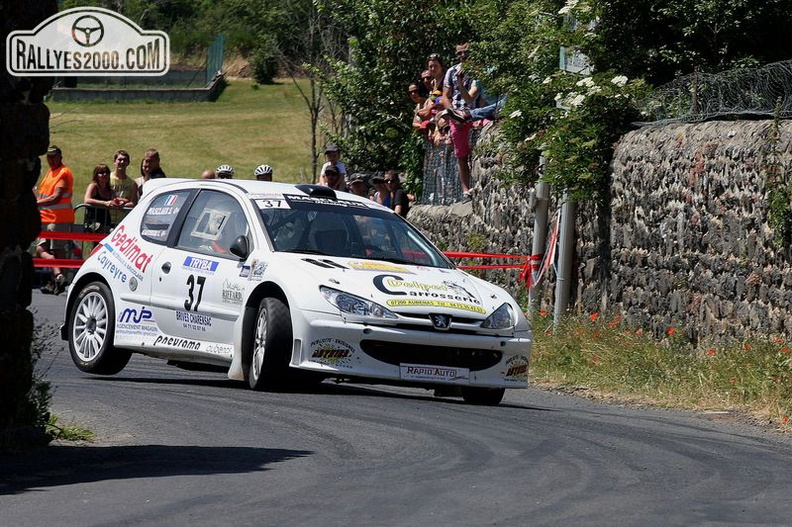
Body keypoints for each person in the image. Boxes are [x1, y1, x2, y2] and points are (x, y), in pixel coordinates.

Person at [442, 42, 480, 202]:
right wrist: (452, 113)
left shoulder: (478, 70)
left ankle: (477, 184)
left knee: (477, 150)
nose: (463, 56)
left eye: (466, 52)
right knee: (461, 155)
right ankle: (466, 190)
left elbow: (474, 95)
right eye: (459, 53)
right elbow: (445, 96)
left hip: (474, 113)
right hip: (457, 116)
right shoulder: (451, 71)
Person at [36, 145, 75, 295]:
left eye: (54, 156)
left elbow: (56, 197)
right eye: (49, 157)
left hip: (58, 219)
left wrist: (36, 203)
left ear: (60, 157)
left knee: (57, 250)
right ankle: (59, 277)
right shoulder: (50, 172)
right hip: (46, 218)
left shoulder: (64, 173)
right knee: (41, 249)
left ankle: (56, 282)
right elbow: (45, 195)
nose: (51, 160)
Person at [83, 164, 122, 233]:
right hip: (93, 222)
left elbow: (115, 201)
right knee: (110, 232)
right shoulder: (93, 186)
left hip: (106, 222)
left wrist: (120, 203)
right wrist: (105, 203)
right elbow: (87, 200)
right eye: (101, 172)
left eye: (106, 172)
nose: (104, 174)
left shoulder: (110, 191)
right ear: (96, 175)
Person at [109, 149, 138, 224]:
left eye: (125, 160)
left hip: (123, 221)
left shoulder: (132, 183)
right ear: (114, 161)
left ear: (128, 163)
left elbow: (133, 203)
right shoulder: (107, 178)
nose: (122, 162)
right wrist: (124, 200)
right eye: (120, 160)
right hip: (107, 219)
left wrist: (121, 205)